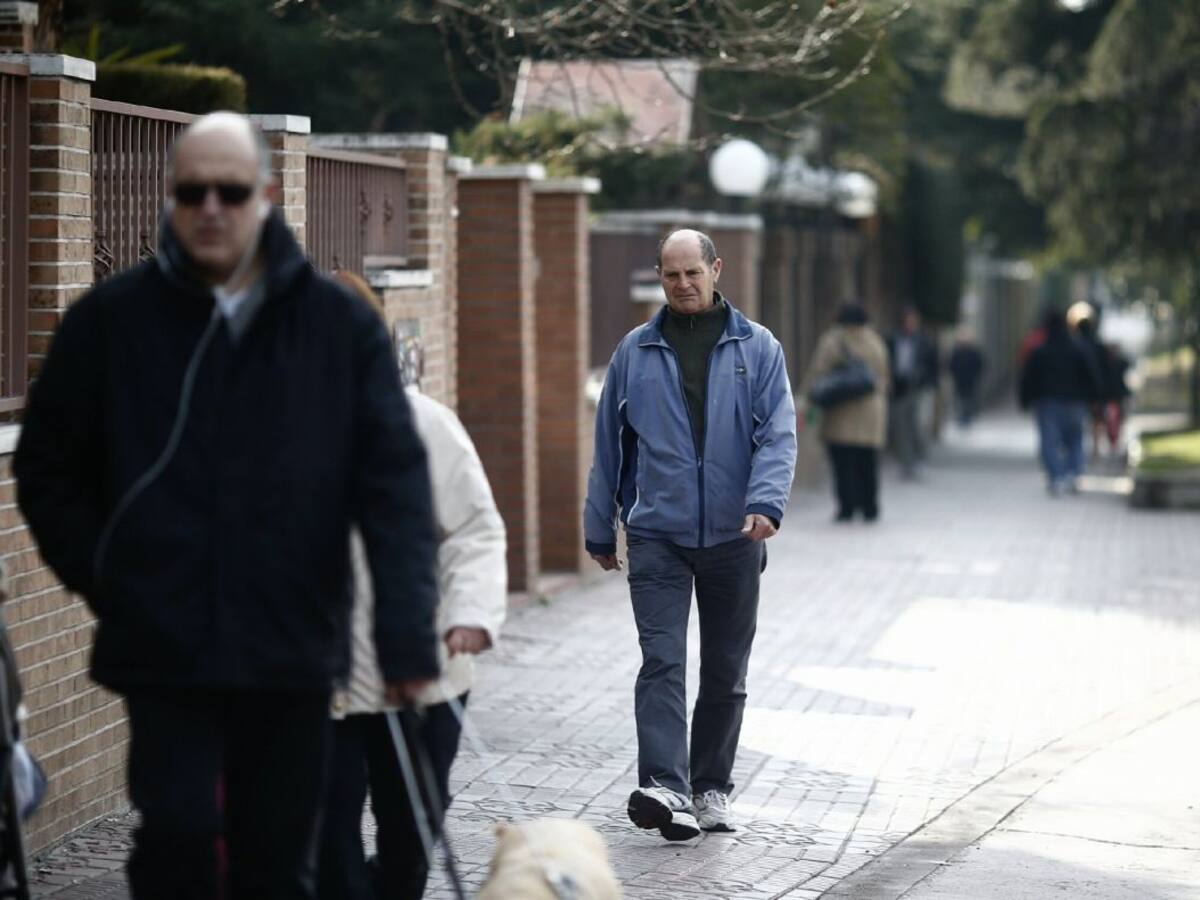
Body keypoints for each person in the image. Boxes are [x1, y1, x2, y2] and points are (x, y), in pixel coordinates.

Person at [13, 113, 440, 900]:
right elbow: (45, 468)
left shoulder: (336, 327)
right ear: (170, 199)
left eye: (231, 191)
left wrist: (407, 636)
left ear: (267, 197)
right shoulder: (111, 322)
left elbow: (396, 490)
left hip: (292, 646)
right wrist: (112, 576)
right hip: (165, 646)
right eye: (192, 191)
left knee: (275, 860)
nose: (211, 206)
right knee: (179, 836)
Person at [584, 229, 797, 841]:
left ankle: (710, 788)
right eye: (670, 275)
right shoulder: (635, 351)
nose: (681, 284)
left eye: (692, 273)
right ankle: (666, 787)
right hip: (658, 535)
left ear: (715, 270)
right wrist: (602, 524)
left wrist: (766, 505)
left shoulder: (757, 348)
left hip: (736, 535)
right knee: (662, 661)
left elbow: (779, 434)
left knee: (727, 670)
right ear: (660, 276)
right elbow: (609, 446)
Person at [318, 271, 507, 900]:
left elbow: (474, 532)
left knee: (411, 834)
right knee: (326, 837)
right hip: (323, 685)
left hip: (423, 672)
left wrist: (472, 613)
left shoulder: (427, 425)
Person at [800, 303, 889, 522]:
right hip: (871, 411)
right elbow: (884, 374)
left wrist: (807, 397)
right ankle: (870, 507)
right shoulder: (875, 341)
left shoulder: (834, 340)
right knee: (867, 462)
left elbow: (817, 372)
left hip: (842, 411)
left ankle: (846, 508)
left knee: (843, 462)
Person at [1018, 309, 1104, 495]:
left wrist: (1025, 400)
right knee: (1075, 439)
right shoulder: (1077, 349)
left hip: (1048, 402)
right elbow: (1090, 375)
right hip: (1075, 402)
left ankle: (1055, 477)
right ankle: (1073, 475)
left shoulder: (1040, 351)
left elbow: (1028, 377)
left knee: (1049, 441)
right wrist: (1095, 398)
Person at [887, 307, 939, 478]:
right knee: (901, 427)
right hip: (900, 389)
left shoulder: (924, 341)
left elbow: (933, 364)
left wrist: (929, 382)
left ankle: (918, 459)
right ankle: (906, 462)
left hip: (918, 389)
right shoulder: (894, 339)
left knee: (918, 426)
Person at [947, 326, 986, 428]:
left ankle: (966, 418)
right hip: (960, 380)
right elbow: (951, 365)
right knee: (961, 400)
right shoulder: (957, 353)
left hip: (970, 380)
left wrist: (975, 375)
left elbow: (980, 364)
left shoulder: (973, 353)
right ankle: (963, 418)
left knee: (968, 400)